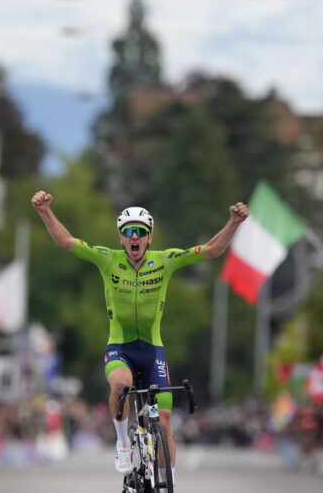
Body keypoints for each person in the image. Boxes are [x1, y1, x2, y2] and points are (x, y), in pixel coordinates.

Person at [30, 190, 249, 476]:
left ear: (150, 237)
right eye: (128, 232)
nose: (135, 237)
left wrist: (233, 222)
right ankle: (122, 444)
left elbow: (211, 250)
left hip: (152, 350)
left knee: (165, 419)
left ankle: (163, 480)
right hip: (120, 347)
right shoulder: (108, 259)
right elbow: (67, 242)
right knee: (122, 385)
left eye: (141, 232)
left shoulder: (166, 260)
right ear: (121, 238)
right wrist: (45, 211)